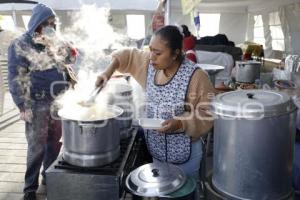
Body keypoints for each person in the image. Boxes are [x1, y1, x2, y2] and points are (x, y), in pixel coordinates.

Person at [95, 25, 214, 186]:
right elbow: (127, 55)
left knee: (183, 195)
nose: (152, 57)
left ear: (175, 53)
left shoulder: (196, 76)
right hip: (157, 152)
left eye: (158, 53)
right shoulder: (150, 65)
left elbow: (207, 113)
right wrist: (107, 73)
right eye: (151, 50)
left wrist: (180, 123)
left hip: (185, 157)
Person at [7, 4, 77, 200]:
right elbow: (15, 76)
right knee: (36, 147)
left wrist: (66, 47)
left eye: (52, 24)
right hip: (35, 102)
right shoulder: (20, 44)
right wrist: (22, 105)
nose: (49, 27)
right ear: (35, 23)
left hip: (58, 100)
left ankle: (48, 177)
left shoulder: (55, 41)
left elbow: (70, 59)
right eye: (45, 23)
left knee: (54, 143)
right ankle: (30, 188)